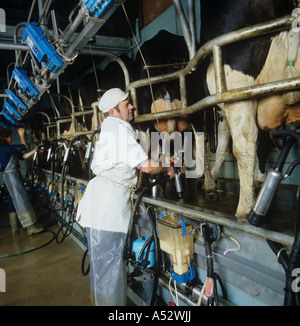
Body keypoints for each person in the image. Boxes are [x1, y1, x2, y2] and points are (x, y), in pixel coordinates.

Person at [76, 88, 174, 306]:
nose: (132, 106)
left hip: (100, 207)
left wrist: (161, 160)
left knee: (102, 271)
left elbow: (132, 160)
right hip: (107, 211)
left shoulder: (110, 129)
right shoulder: (120, 129)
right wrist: (167, 166)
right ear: (113, 111)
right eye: (127, 104)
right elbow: (146, 167)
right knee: (110, 272)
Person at [0, 127, 43, 236]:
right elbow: (24, 146)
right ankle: (30, 227)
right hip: (12, 177)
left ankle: (15, 229)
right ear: (4, 138)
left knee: (12, 200)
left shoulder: (7, 149)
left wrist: (35, 151)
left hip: (12, 175)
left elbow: (22, 156)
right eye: (9, 136)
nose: (10, 138)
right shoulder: (4, 148)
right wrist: (21, 135)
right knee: (21, 199)